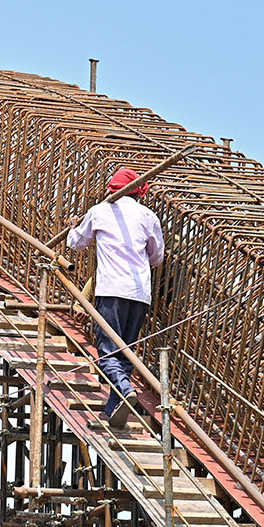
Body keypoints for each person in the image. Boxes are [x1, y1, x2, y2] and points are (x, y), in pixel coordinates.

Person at [67, 167, 165, 426]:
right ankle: (114, 407)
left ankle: (123, 388)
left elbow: (76, 243)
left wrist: (72, 227)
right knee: (126, 352)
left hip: (111, 291)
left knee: (107, 350)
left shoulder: (99, 211)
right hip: (140, 294)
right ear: (139, 192)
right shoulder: (149, 216)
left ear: (112, 188)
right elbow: (157, 257)